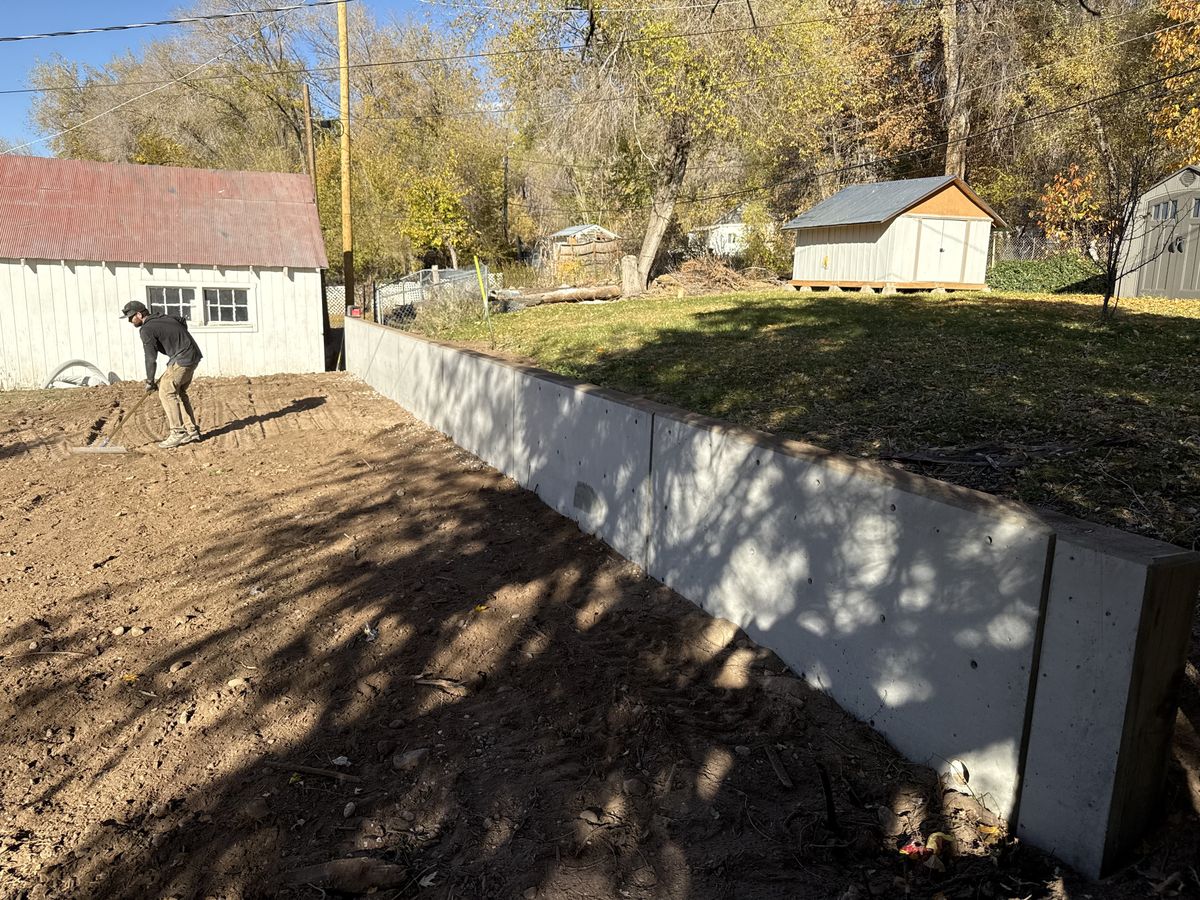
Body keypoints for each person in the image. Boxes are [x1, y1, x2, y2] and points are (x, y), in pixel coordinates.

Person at [119, 300, 203, 449]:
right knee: (180, 392)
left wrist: (150, 381)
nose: (130, 321)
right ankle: (192, 430)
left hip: (182, 358)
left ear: (139, 314)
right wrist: (180, 340)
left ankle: (177, 432)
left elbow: (150, 358)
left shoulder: (146, 329)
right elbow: (181, 320)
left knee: (166, 392)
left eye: (131, 318)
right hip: (193, 355)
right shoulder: (164, 318)